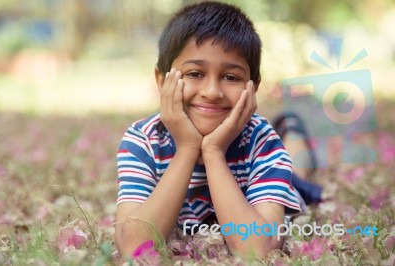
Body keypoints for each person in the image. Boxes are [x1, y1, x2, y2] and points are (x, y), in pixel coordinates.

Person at [114, 1, 303, 260]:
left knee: (301, 177)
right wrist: (188, 148)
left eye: (231, 77)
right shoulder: (144, 139)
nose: (212, 92)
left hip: (285, 179)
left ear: (253, 87)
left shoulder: (261, 140)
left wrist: (213, 151)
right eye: (194, 73)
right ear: (162, 80)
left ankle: (293, 130)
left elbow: (258, 250)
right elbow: (133, 248)